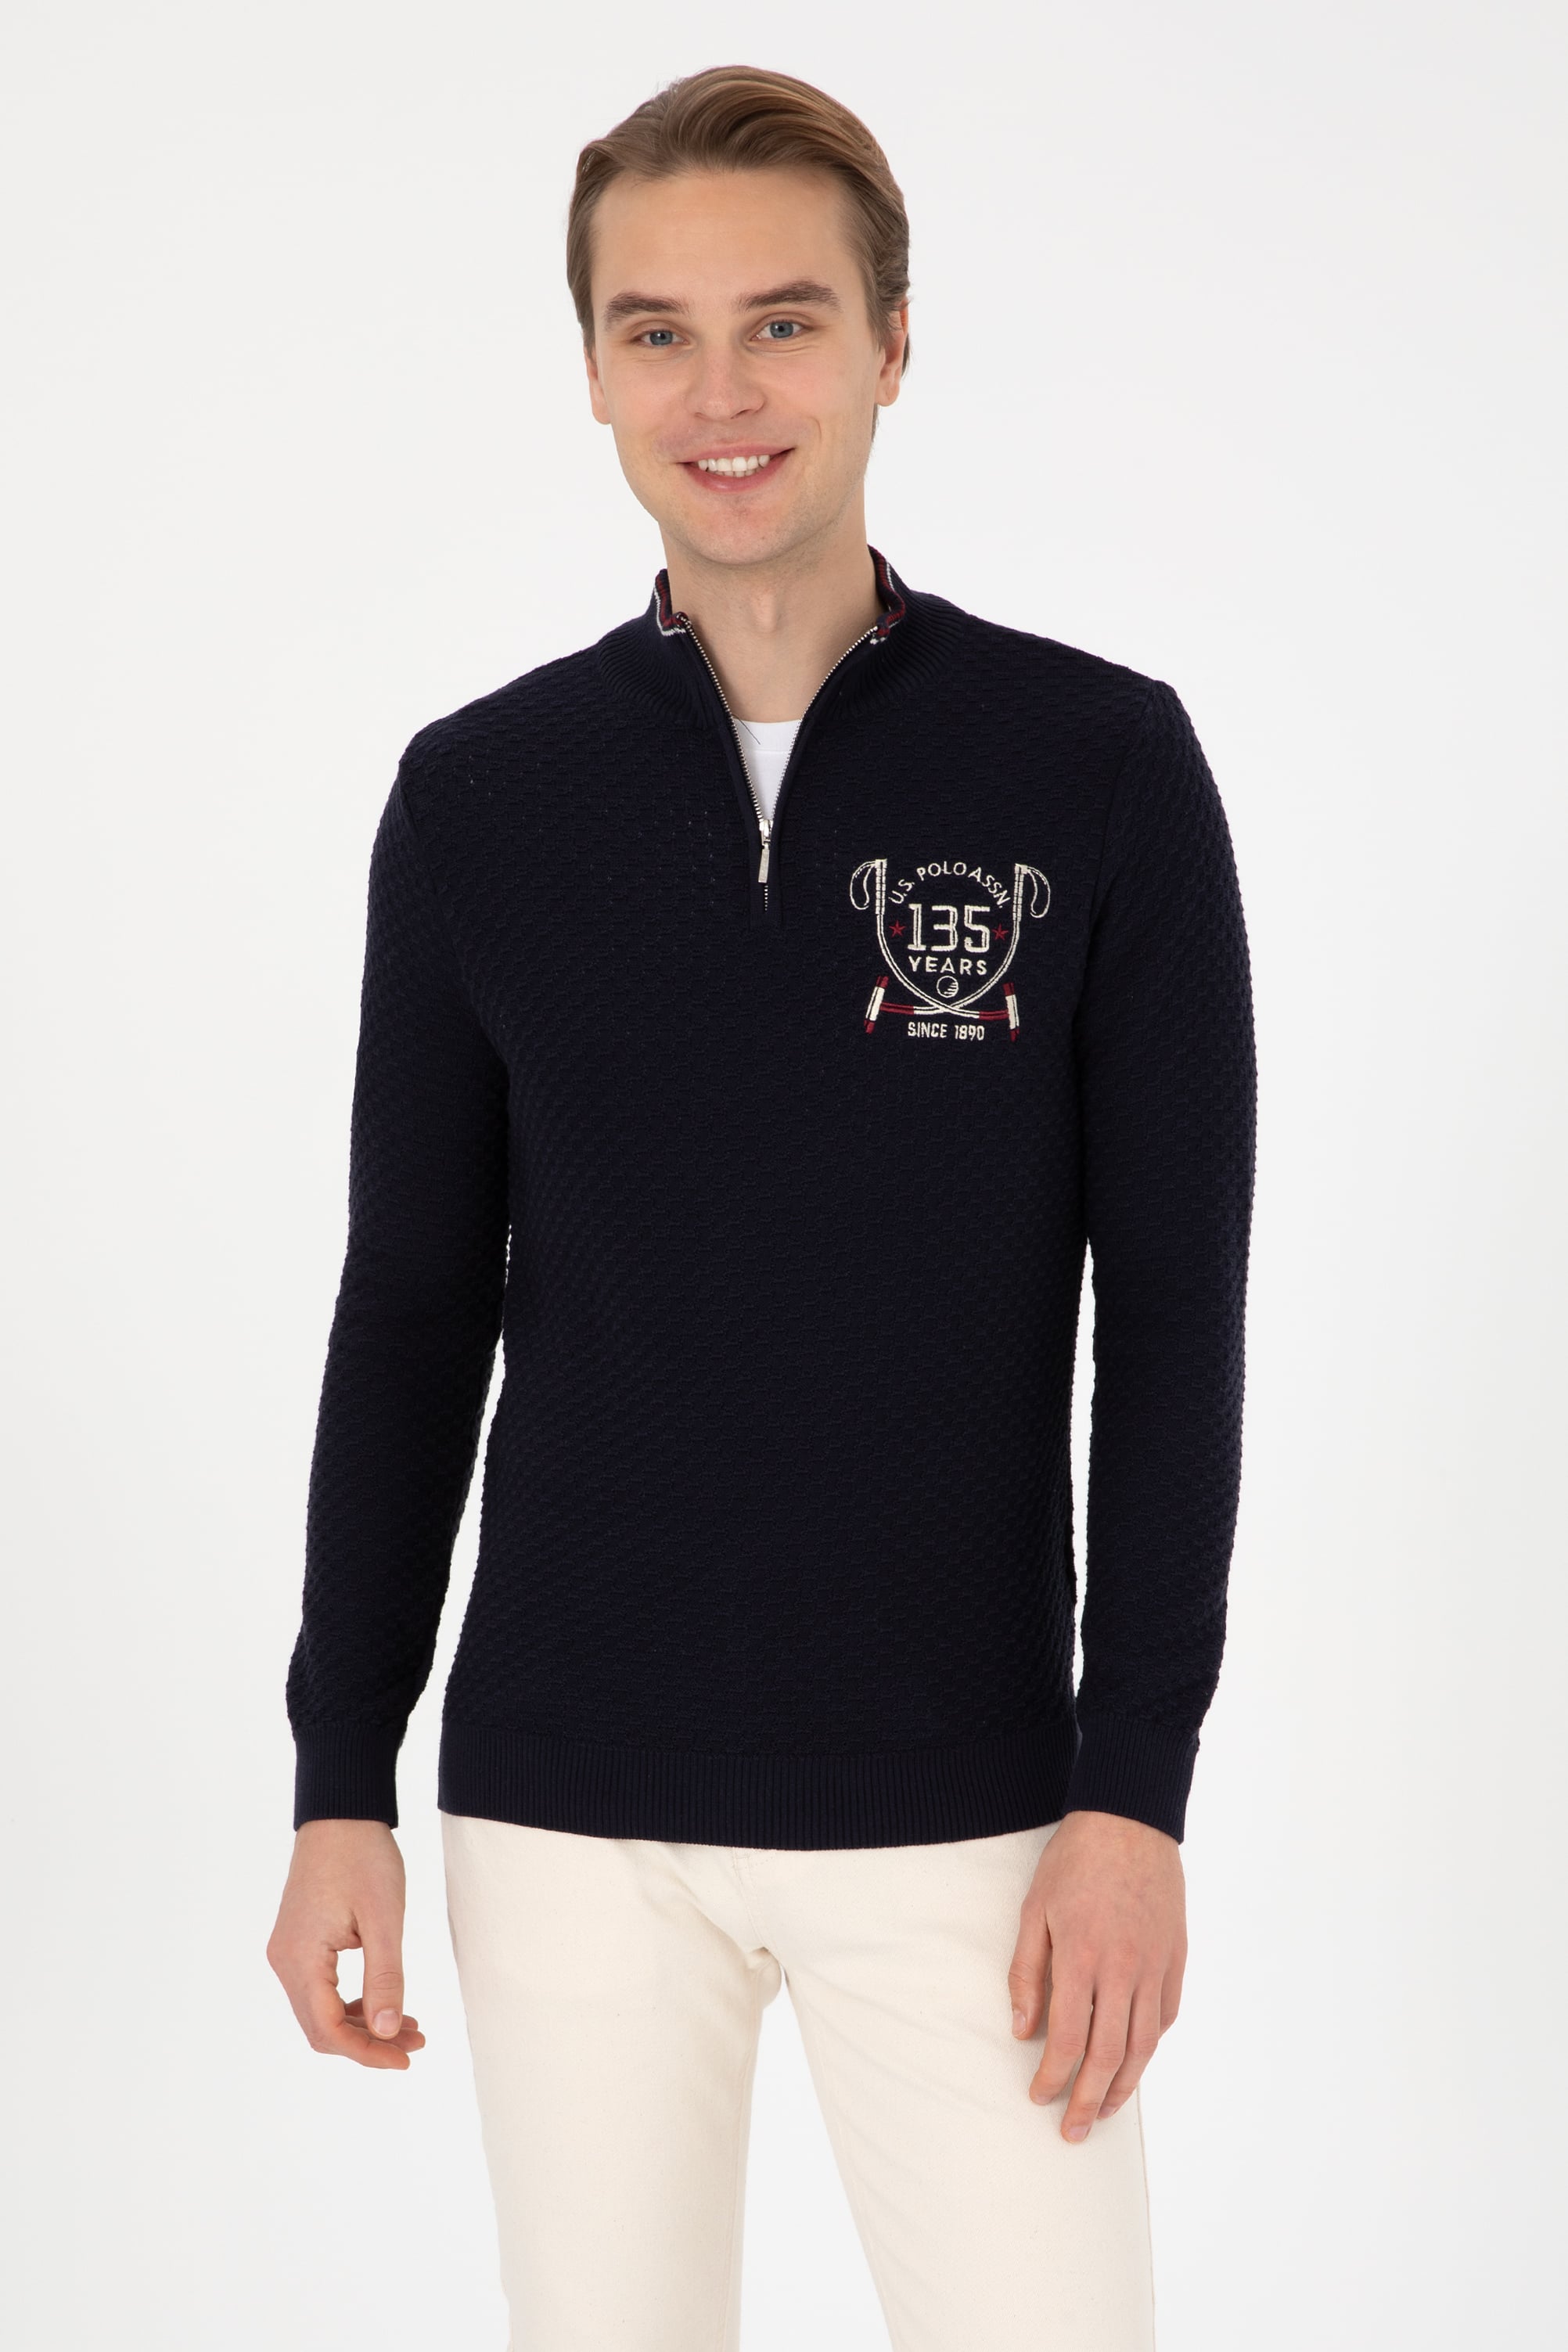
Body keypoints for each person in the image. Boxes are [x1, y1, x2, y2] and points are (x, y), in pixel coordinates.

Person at [268, 63, 1257, 2352]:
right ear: (594, 370)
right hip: (566, 1822)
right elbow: (410, 1308)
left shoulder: (1096, 767)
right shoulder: (480, 796)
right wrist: (339, 1778)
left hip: (979, 1819)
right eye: (657, 332)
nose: (720, 394)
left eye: (784, 324)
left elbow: (1171, 1316)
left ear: (892, 344)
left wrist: (1135, 1798)